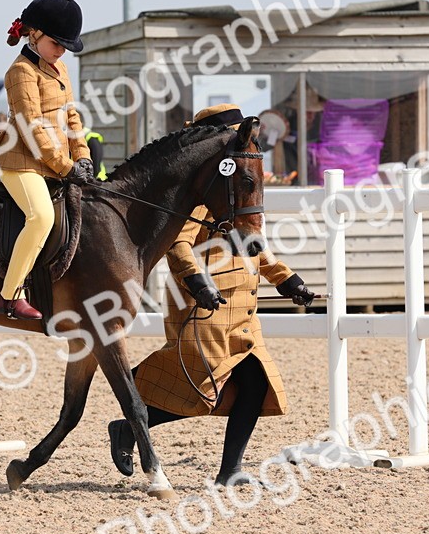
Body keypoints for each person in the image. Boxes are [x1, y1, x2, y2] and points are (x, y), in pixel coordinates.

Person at [107, 104, 317, 486]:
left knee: (254, 385)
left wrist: (287, 279)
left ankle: (230, 470)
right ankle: (128, 426)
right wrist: (198, 282)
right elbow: (179, 245)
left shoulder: (234, 184)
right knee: (199, 390)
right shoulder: (202, 193)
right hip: (205, 305)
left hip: (243, 308)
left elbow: (253, 243)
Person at [0, 0, 95, 320]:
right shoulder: (20, 72)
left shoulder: (59, 68)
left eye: (65, 45)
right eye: (57, 43)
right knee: (41, 218)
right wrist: (66, 166)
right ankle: (10, 295)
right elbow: (32, 128)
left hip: (54, 163)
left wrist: (84, 157)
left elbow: (72, 118)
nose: (61, 51)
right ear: (34, 34)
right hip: (20, 162)